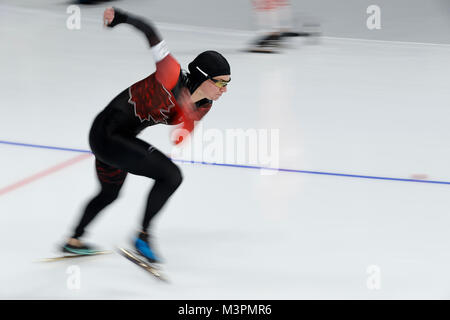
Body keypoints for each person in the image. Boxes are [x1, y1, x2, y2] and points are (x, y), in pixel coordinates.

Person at [62, 7, 231, 263]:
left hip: (119, 139)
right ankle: (143, 238)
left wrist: (185, 129)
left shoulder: (204, 104)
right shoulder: (170, 73)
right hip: (106, 133)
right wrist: (120, 18)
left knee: (109, 193)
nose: (224, 90)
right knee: (171, 176)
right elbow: (151, 32)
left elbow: (185, 127)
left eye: (228, 84)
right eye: (220, 82)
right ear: (202, 77)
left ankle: (73, 241)